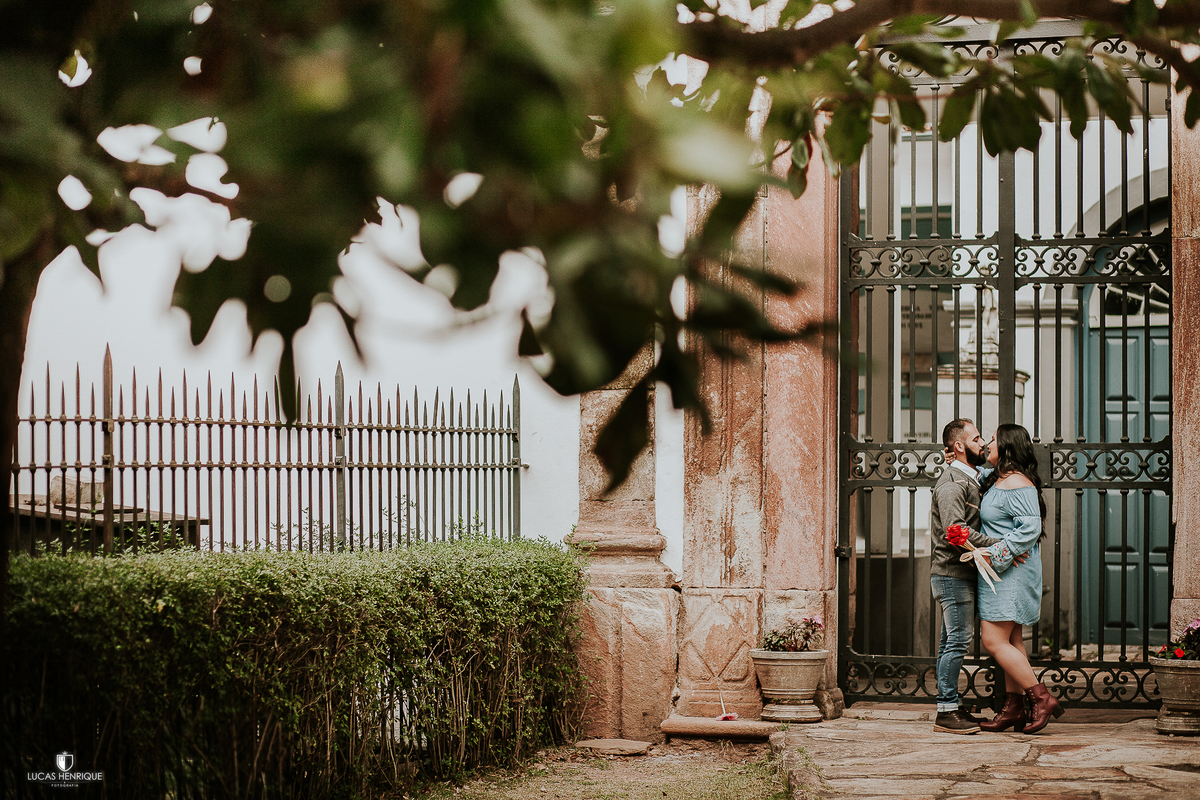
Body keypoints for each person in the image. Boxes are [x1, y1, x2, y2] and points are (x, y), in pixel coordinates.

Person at [975, 423, 1064, 735]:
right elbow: (975, 478)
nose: (986, 444)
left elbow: (1029, 529)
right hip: (1004, 570)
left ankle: (1042, 699)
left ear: (1008, 447)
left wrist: (997, 552)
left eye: (992, 440)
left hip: (1010, 571)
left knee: (992, 639)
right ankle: (1013, 709)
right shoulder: (998, 478)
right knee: (1011, 640)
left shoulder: (1018, 483)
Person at [929, 418, 1003, 734]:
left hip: (959, 573)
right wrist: (1002, 544)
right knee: (957, 642)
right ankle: (946, 712)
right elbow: (956, 532)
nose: (983, 442)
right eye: (976, 439)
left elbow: (989, 475)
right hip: (951, 574)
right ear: (959, 446)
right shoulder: (952, 484)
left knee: (951, 642)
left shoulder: (970, 478)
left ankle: (952, 706)